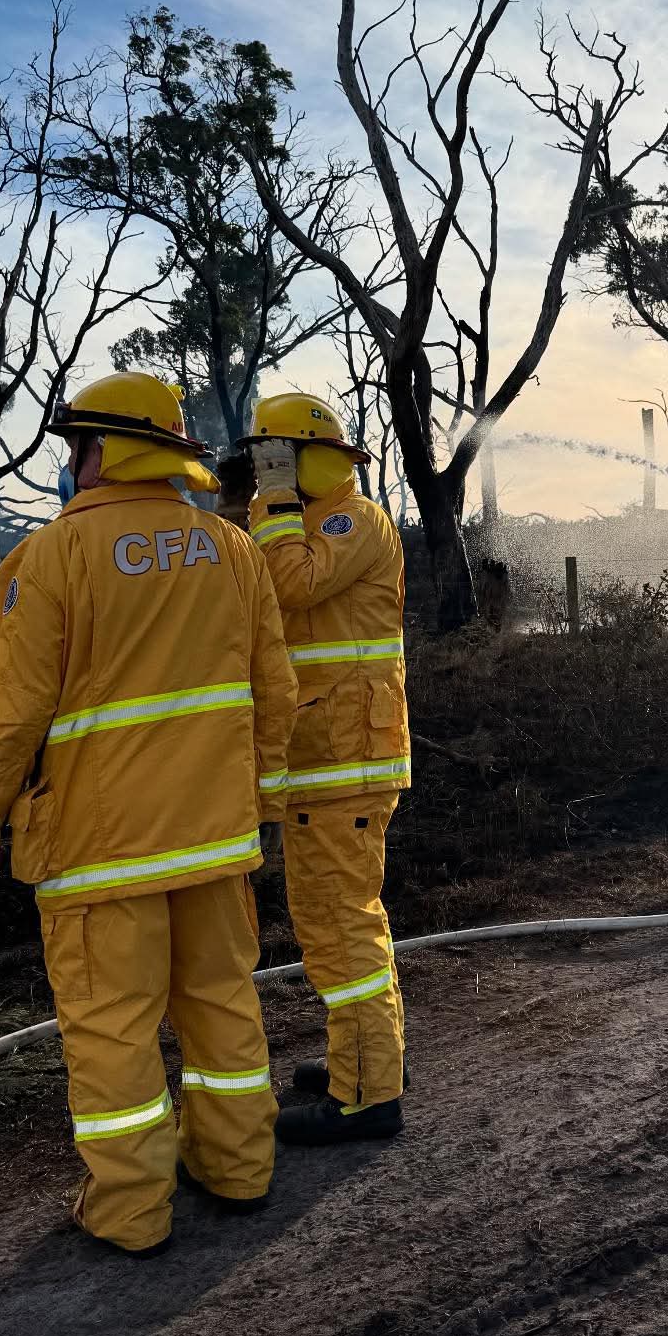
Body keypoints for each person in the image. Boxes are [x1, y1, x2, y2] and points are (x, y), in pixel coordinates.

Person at [0, 373, 296, 1256]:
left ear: (102, 451)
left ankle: (132, 1211)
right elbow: (275, 693)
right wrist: (256, 801)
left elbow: (8, 718)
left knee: (112, 1032)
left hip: (99, 856)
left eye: (74, 446)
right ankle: (240, 1167)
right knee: (222, 1007)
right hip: (216, 843)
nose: (69, 463)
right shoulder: (233, 548)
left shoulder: (48, 562)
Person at [242, 393, 412, 1147]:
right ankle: (366, 1062)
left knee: (342, 930)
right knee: (342, 924)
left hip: (344, 762)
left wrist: (275, 501)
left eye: (270, 459)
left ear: (300, 457)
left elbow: (292, 585)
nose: (261, 474)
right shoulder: (299, 525)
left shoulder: (350, 519)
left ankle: (367, 1098)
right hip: (324, 762)